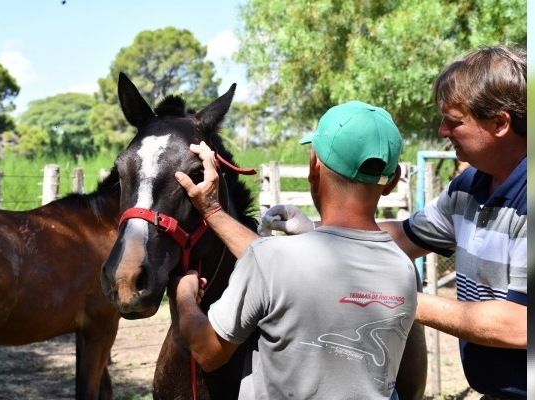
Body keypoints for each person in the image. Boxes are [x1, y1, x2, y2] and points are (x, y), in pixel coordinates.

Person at [263, 45, 528, 399]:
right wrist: (321, 234)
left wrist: (392, 297)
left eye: (454, 121)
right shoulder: (470, 187)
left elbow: (521, 324)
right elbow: (403, 236)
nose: (442, 131)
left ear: (500, 123)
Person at [173, 101, 418, 399]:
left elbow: (207, 351)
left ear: (314, 167)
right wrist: (213, 211)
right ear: (392, 182)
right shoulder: (403, 269)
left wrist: (184, 296)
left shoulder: (270, 260)